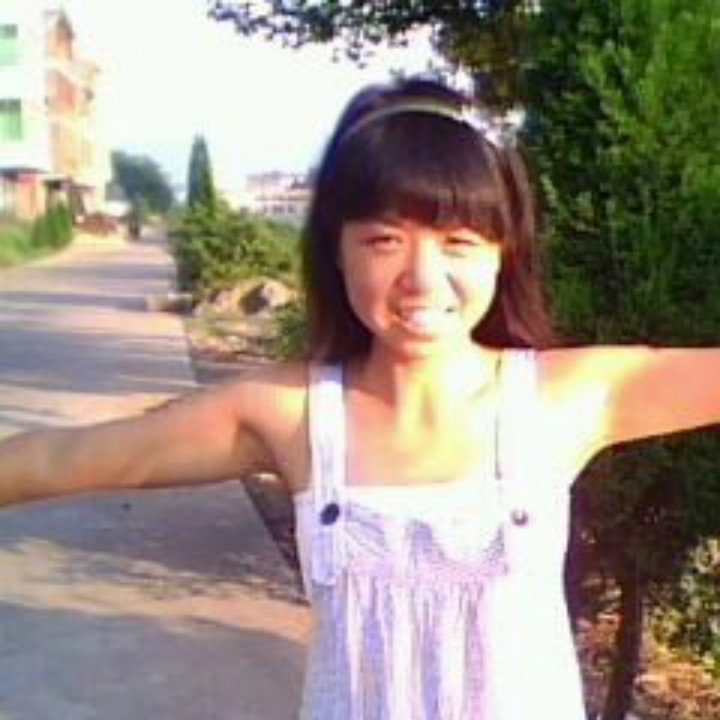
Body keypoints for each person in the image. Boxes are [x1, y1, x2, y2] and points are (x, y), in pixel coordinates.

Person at [0, 76, 718, 719]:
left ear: (504, 252)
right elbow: (63, 458)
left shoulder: (569, 398)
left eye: (459, 241)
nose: (422, 278)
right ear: (335, 251)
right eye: (383, 240)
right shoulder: (293, 415)